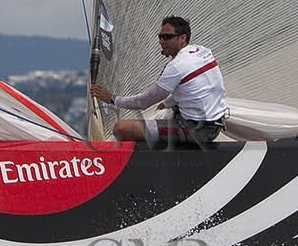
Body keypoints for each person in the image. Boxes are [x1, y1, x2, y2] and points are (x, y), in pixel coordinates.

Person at [90, 16, 228, 148]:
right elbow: (198, 87)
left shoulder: (176, 66)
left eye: (167, 37)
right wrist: (166, 103)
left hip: (198, 131)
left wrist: (113, 99)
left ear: (183, 38)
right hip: (216, 122)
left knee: (121, 128)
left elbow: (143, 102)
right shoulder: (202, 51)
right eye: (160, 36)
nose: (161, 41)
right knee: (163, 110)